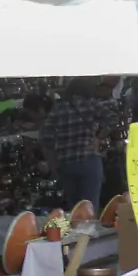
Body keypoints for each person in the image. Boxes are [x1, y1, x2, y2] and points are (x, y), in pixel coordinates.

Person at [43, 78, 111, 208]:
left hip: (66, 163)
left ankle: (75, 227)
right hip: (89, 160)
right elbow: (113, 119)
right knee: (90, 205)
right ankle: (89, 227)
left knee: (73, 207)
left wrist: (54, 167)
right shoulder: (92, 105)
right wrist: (98, 138)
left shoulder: (58, 109)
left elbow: (47, 140)